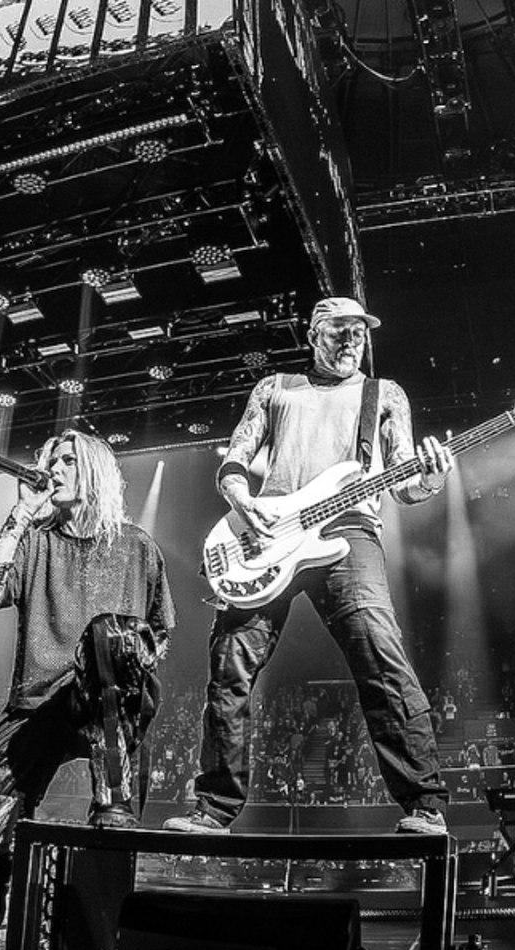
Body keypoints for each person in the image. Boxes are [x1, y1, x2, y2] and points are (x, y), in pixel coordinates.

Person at [165, 295, 454, 836]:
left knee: (381, 655)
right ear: (314, 334)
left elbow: (407, 483)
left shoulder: (383, 394)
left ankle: (424, 804)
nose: (352, 342)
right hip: (269, 533)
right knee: (230, 663)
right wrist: (239, 500)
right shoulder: (275, 388)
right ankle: (214, 809)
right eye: (340, 332)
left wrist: (434, 475)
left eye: (360, 334)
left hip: (349, 530)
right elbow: (236, 455)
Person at [0, 430, 173, 950]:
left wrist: (121, 666)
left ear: (93, 471)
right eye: (50, 459)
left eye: (68, 460)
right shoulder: (35, 541)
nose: (54, 468)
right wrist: (21, 514)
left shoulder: (137, 547)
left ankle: (110, 804)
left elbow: (159, 632)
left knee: (108, 634)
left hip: (109, 700)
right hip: (37, 704)